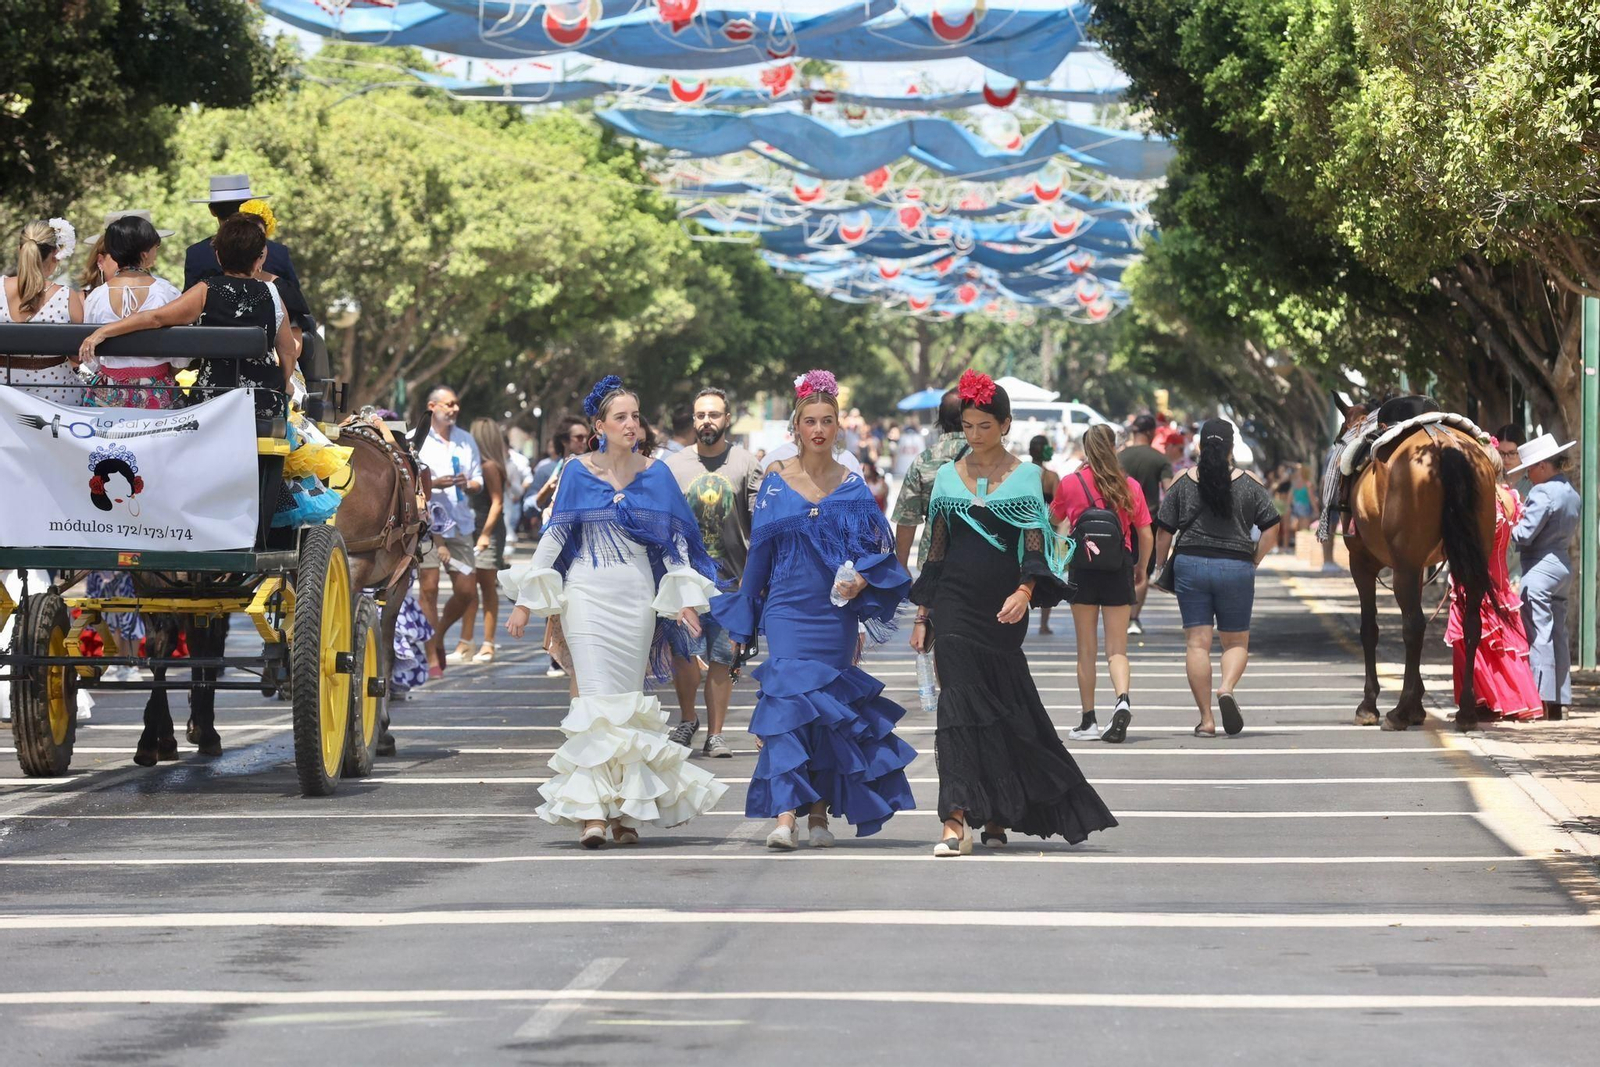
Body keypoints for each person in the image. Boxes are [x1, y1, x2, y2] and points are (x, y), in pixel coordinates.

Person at [501, 375, 727, 848]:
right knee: (594, 705)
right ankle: (592, 815)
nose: (631, 425)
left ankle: (626, 813)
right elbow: (557, 536)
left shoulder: (657, 474)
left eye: (635, 417)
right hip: (585, 595)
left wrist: (685, 600)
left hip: (637, 599)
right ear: (599, 425)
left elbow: (674, 546)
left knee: (625, 706)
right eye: (620, 417)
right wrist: (525, 602)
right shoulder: (578, 472)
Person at [909, 370, 1116, 856]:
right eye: (968, 425)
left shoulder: (1027, 477)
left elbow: (1034, 544)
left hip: (1003, 609)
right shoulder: (944, 476)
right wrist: (925, 615)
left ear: (1005, 424)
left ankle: (997, 813)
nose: (975, 435)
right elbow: (935, 552)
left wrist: (1025, 591)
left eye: (985, 425)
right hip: (954, 606)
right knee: (957, 707)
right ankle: (955, 820)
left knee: (1000, 707)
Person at [711, 369, 917, 848]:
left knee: (827, 712)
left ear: (838, 427)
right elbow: (758, 557)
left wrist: (864, 577)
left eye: (827, 420)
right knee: (785, 704)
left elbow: (879, 549)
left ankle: (819, 817)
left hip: (834, 616)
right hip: (785, 609)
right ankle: (785, 818)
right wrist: (745, 620)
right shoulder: (776, 483)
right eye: (810, 421)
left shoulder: (852, 485)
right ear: (796, 429)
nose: (819, 429)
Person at [79, 215, 296, 419]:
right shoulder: (273, 292)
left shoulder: (205, 290)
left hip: (214, 399)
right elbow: (287, 350)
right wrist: (285, 383)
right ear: (260, 257)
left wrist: (104, 331)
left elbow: (155, 318)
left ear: (218, 256)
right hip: (263, 400)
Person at [1152, 419, 1279, 736]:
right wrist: (1255, 558)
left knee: (1197, 644)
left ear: (1199, 446)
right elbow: (1273, 525)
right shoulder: (1249, 483)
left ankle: (1207, 720)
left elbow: (1164, 530)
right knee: (1235, 642)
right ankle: (1226, 688)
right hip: (1236, 568)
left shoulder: (1183, 481)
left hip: (1191, 567)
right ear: (1231, 447)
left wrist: (1158, 565)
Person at [664, 387, 762, 758]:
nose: (707, 421)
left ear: (727, 419)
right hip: (685, 578)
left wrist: (757, 580)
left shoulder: (745, 463)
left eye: (714, 415)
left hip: (731, 580)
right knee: (684, 654)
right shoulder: (674, 467)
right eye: (701, 415)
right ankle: (688, 719)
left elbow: (758, 523)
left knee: (723, 658)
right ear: (693, 420)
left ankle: (716, 734)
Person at [1051, 424, 1153, 744]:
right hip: (1118, 567)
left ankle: (1088, 721)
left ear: (1086, 448)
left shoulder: (1070, 483)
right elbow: (1146, 534)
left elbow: (1054, 521)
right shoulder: (1129, 485)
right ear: (1114, 447)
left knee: (1086, 649)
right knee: (1116, 649)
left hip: (1083, 569)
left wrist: (1059, 558)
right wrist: (1141, 567)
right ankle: (1122, 699)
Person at [1443, 441, 1544, 721]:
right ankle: (1513, 700)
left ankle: (1486, 701)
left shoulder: (1481, 501)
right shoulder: (1511, 496)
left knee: (1474, 641)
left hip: (1476, 580)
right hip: (1501, 582)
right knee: (1505, 647)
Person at [1509, 434, 1581, 720]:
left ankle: (1541, 698)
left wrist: (1500, 528)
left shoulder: (1542, 491)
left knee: (1539, 633)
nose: (1527, 473)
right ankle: (1560, 701)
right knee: (1558, 633)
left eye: (1529, 468)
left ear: (1541, 466)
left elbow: (1525, 534)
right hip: (1561, 565)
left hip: (1539, 567)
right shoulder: (1569, 491)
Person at [413, 385, 483, 679]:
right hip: (427, 525)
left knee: (467, 591)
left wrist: (468, 483)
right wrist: (434, 484)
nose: (454, 409)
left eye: (456, 404)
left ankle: (437, 634)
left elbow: (479, 479)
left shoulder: (466, 441)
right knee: (428, 589)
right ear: (433, 406)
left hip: (459, 523)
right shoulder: (417, 439)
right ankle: (431, 657)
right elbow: (411, 480)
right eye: (448, 404)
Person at [82, 213, 186, 409]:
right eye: (157, 247)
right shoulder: (166, 292)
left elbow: (92, 361)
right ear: (145, 254)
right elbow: (180, 358)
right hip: (157, 391)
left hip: (108, 393)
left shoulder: (96, 297)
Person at [2, 219, 84, 404]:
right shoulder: (66, 296)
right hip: (56, 398)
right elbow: (76, 356)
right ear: (55, 254)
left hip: (4, 398)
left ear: (19, 250)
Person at [449, 417, 508, 665]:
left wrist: (485, 534)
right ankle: (466, 642)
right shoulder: (475, 467)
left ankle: (488, 643)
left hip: (487, 530)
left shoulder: (489, 466)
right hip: (469, 529)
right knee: (468, 589)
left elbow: (498, 502)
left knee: (486, 587)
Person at [892, 387, 968, 570]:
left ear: (940, 420)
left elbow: (907, 519)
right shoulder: (988, 457)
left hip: (934, 562)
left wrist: (901, 566)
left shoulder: (923, 460)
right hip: (980, 563)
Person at [184, 174, 300, 290]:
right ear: (249, 205)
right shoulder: (278, 252)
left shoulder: (196, 254)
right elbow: (294, 298)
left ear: (212, 211)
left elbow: (188, 302)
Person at [1118, 413, 1171, 636]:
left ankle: (1119, 616)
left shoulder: (1119, 457)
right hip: (1148, 522)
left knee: (1122, 568)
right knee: (1142, 570)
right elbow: (1169, 490)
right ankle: (1133, 618)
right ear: (1150, 433)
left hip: (1120, 521)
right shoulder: (1159, 459)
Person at [1318, 404, 1370, 573]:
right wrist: (1324, 500)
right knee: (1329, 529)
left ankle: (1330, 561)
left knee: (1335, 529)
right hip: (1334, 496)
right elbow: (1326, 478)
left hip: (1337, 495)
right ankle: (1327, 561)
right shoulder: (1335, 451)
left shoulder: (1337, 450)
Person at [1030, 434, 1062, 635]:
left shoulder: (1021, 473)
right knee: (1047, 575)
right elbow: (1058, 509)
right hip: (1047, 531)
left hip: (1024, 529)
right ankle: (1043, 624)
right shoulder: (1051, 477)